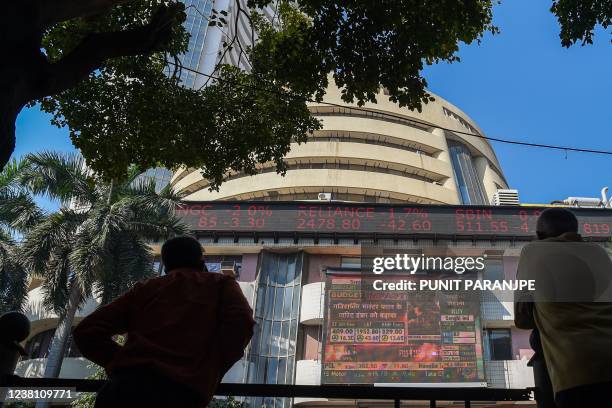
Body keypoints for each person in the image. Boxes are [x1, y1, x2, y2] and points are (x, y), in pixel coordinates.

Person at [73, 236, 255, 408]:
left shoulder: (145, 290)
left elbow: (87, 331)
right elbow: (241, 324)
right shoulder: (221, 285)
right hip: (179, 394)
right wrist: (211, 366)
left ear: (166, 266)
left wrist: (123, 362)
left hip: (122, 391)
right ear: (201, 261)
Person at [514, 208, 612, 408]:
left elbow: (522, 318)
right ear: (577, 232)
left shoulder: (532, 251)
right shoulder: (600, 253)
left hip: (575, 371)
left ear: (539, 236)